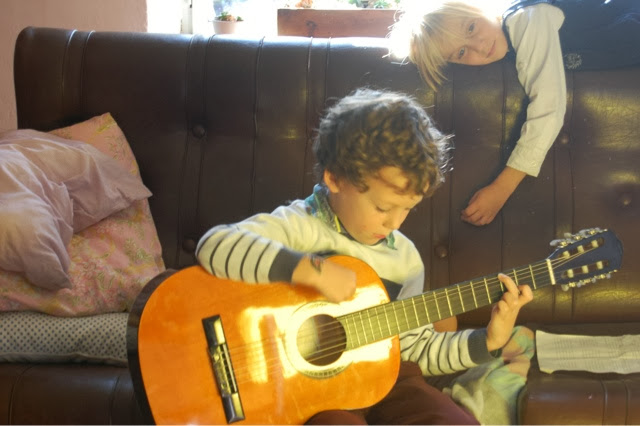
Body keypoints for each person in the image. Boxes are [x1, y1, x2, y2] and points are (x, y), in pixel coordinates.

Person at [196, 88, 533, 424]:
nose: (394, 223)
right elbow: (215, 245)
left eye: (408, 209)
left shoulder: (404, 261)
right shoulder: (299, 226)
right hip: (313, 398)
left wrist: (488, 340)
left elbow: (415, 349)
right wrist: (310, 269)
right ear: (335, 178)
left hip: (388, 380)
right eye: (383, 208)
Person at [391, 0, 640, 226]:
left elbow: (549, 106)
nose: (479, 46)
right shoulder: (509, 40)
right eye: (461, 53)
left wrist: (502, 188)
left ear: (478, 8)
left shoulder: (526, 19)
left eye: (471, 28)